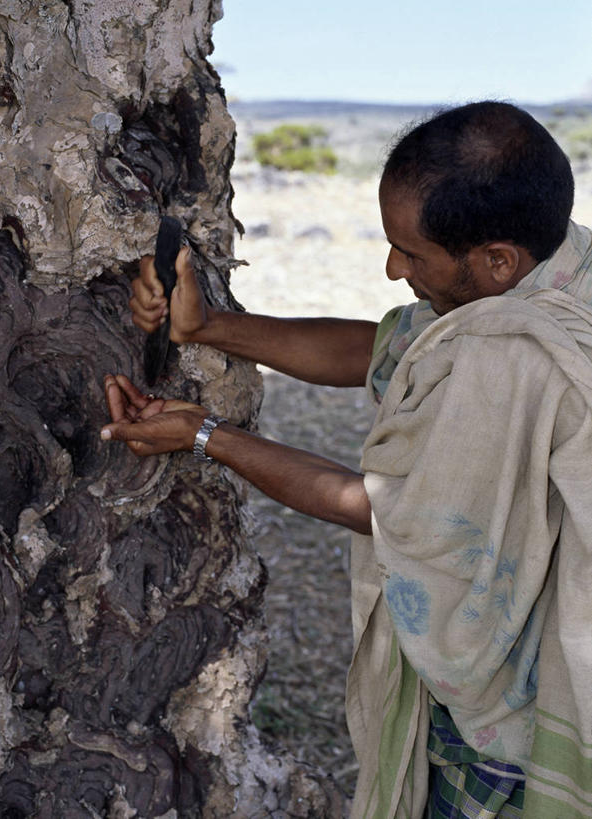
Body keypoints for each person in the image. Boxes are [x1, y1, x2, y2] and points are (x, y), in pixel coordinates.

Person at [101, 102, 592, 819]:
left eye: (411, 254)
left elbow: (389, 511)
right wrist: (209, 325)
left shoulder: (509, 360)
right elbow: (386, 349)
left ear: (495, 262)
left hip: (510, 728)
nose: (393, 269)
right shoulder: (557, 263)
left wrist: (207, 437)